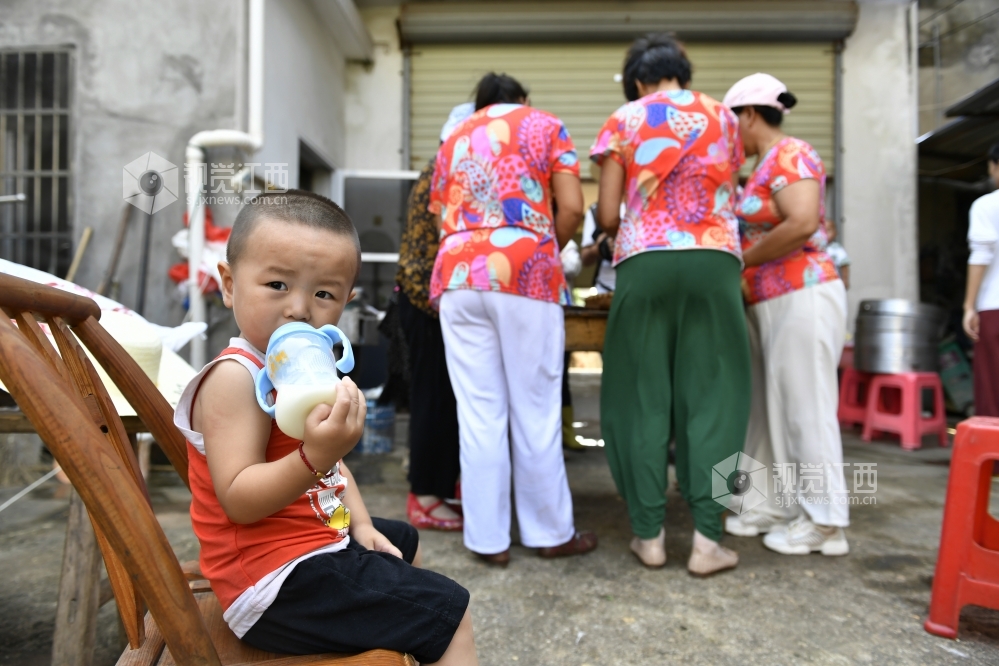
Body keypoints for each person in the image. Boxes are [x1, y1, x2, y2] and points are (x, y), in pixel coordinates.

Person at [173, 190, 477, 664]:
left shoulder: (303, 371)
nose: (299, 308)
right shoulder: (235, 378)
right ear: (229, 284)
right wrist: (314, 454)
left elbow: (330, 465)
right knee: (449, 612)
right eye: (277, 284)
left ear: (346, 304)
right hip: (269, 583)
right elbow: (238, 498)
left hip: (310, 546)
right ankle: (421, 632)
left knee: (400, 540)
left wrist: (361, 522)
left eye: (323, 293)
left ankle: (405, 634)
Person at [590, 34, 750, 575]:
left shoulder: (625, 118)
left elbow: (609, 213)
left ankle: (648, 535)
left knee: (639, 395)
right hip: (715, 260)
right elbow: (730, 183)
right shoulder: (725, 117)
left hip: (645, 260)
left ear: (638, 79)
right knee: (717, 394)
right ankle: (708, 540)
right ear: (683, 70)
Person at [430, 72, 597, 565]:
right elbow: (571, 206)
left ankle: (488, 540)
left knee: (479, 412)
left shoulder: (453, 137)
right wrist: (546, 249)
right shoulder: (544, 124)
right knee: (536, 407)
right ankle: (548, 533)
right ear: (522, 100)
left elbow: (444, 211)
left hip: (459, 270)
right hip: (524, 268)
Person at [722, 73, 850, 556]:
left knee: (805, 409)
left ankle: (826, 522)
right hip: (768, 300)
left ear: (750, 115)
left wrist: (743, 260)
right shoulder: (762, 165)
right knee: (766, 407)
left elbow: (802, 221)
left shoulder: (792, 153)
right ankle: (762, 504)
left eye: (733, 123)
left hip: (804, 292)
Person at [398, 103, 474, 531]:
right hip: (425, 299)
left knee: (446, 399)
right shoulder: (444, 172)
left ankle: (439, 488)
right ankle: (424, 497)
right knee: (433, 399)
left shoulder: (442, 168)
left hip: (436, 299)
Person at [963, 142, 999, 418]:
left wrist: (969, 307)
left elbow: (981, 256)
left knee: (993, 392)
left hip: (993, 308)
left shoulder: (987, 205)